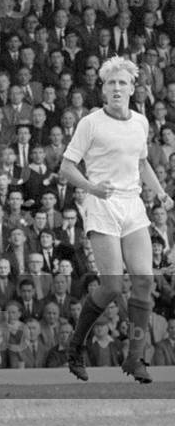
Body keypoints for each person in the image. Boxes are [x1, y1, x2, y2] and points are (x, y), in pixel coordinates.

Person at [60, 57, 174, 384]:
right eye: (111, 83)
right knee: (111, 285)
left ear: (132, 88)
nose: (116, 88)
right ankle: (74, 347)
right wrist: (91, 186)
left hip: (132, 205)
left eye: (122, 83)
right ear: (103, 88)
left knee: (144, 280)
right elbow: (67, 167)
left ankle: (135, 359)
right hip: (101, 203)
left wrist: (162, 194)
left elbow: (142, 164)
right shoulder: (91, 123)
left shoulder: (140, 122)